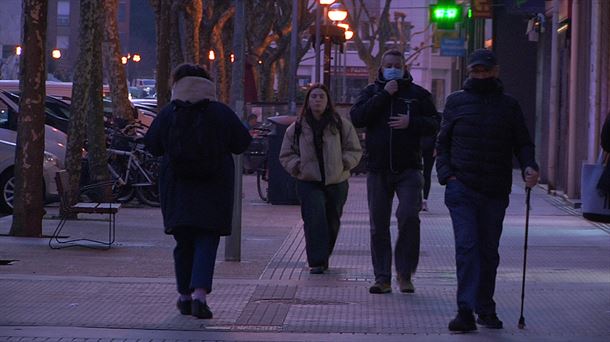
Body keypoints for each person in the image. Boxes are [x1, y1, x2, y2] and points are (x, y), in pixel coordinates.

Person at [435, 49, 539, 332]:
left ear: (496, 71)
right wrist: (448, 176)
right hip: (462, 187)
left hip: (494, 189)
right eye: (476, 71)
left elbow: (523, 142)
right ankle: (465, 309)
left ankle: (485, 306)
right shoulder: (456, 102)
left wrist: (530, 165)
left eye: (485, 70)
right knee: (467, 247)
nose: (480, 75)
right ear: (469, 72)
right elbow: (442, 143)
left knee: (488, 251)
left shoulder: (509, 105)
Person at [144, 63, 252, 319]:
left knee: (183, 242)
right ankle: (200, 297)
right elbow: (242, 143)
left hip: (177, 188)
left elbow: (152, 146)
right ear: (208, 84)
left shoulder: (168, 113)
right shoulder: (220, 112)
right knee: (206, 239)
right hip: (214, 188)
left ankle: (183, 296)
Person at [349, 49, 439, 294]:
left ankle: (405, 273)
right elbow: (357, 118)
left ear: (404, 67)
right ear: (380, 68)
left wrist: (412, 124)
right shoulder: (370, 92)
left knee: (409, 216)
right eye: (388, 65)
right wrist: (383, 96)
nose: (392, 68)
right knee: (378, 224)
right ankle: (382, 277)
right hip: (378, 169)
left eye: (396, 65)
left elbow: (435, 123)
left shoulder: (418, 95)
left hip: (409, 168)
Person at [279, 84, 362, 274]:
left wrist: (345, 163)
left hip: (337, 181)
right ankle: (317, 261)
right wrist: (297, 166)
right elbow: (285, 154)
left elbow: (354, 149)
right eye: (314, 96)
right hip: (309, 182)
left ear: (327, 101)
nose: (317, 100)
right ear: (308, 101)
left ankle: (324, 255)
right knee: (314, 220)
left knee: (332, 221)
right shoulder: (297, 127)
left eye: (321, 97)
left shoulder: (340, 124)